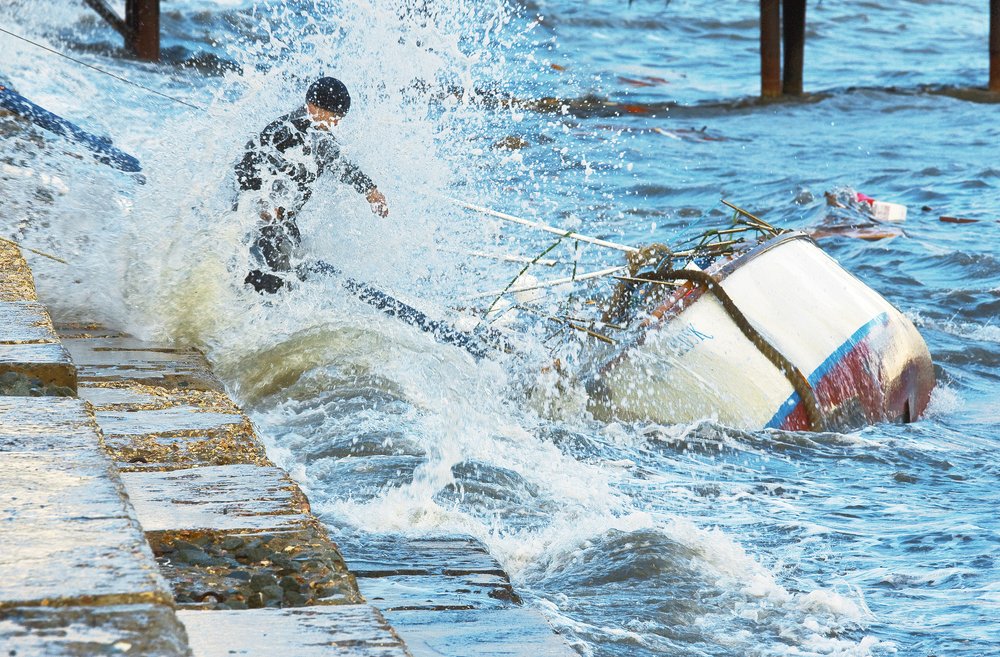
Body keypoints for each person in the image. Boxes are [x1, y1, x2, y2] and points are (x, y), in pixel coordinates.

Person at [235, 77, 389, 293]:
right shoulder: (284, 131)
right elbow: (246, 169)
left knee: (298, 276)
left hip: (284, 222)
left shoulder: (317, 135)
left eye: (339, 119)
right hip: (258, 221)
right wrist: (263, 205)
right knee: (273, 281)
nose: (335, 124)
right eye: (333, 117)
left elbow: (340, 164)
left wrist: (369, 190)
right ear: (313, 107)